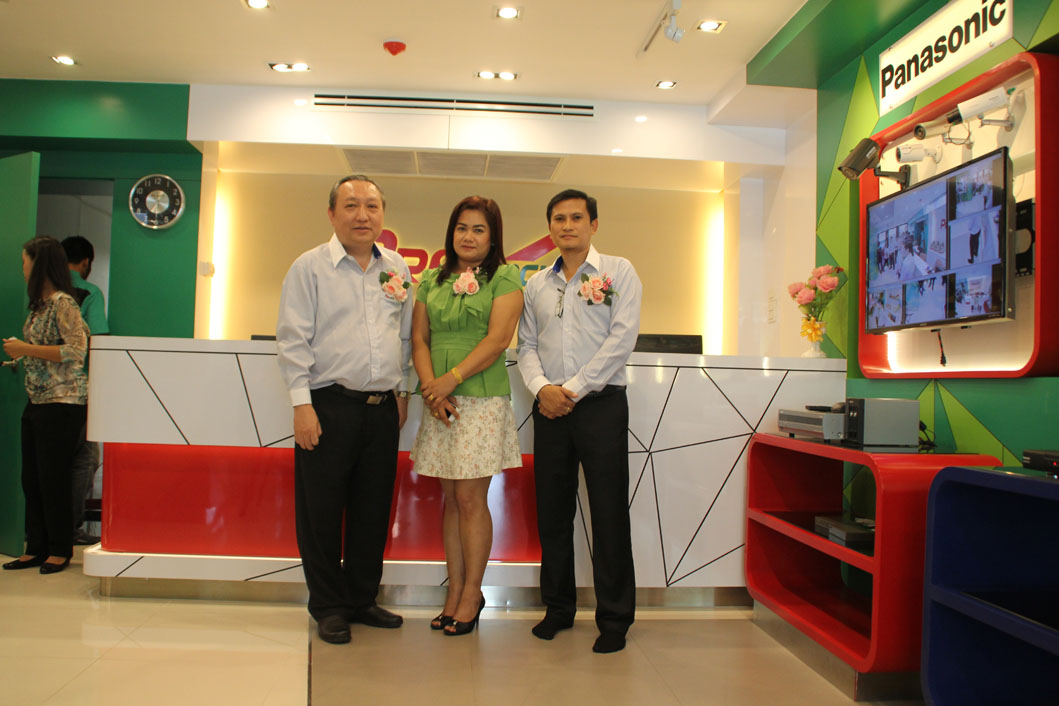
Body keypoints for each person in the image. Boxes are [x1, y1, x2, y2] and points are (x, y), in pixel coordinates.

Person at [276, 175, 413, 645]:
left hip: (382, 409)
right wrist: (302, 405)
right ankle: (329, 606)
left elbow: (404, 336)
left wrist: (403, 393)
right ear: (332, 214)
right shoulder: (309, 267)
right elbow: (292, 340)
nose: (362, 215)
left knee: (372, 511)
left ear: (382, 214)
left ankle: (361, 599)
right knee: (321, 513)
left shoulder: (396, 267)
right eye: (351, 205)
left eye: (372, 206)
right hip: (328, 405)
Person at [517, 189, 643, 654]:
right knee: (553, 513)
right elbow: (526, 345)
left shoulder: (619, 272)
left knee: (608, 512)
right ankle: (558, 608)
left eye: (576, 218)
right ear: (550, 226)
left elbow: (621, 339)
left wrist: (572, 388)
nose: (567, 226)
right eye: (558, 218)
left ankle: (614, 619)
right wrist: (541, 389)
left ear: (593, 224)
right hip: (549, 407)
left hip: (600, 404)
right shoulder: (536, 284)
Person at [408, 196, 524, 636]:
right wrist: (431, 388)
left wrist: (450, 380)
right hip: (439, 400)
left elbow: (498, 340)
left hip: (479, 397)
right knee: (452, 500)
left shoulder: (505, 277)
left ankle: (473, 593)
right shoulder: (430, 279)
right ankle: (453, 590)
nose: (468, 236)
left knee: (472, 499)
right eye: (462, 227)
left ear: (493, 237)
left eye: (478, 229)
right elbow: (420, 339)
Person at [2, 236, 89, 575]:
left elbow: (76, 350)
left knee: (53, 477)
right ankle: (35, 547)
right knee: (33, 477)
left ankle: (59, 549)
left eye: (24, 262)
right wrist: (22, 354)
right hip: (38, 398)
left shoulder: (64, 303)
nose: (22, 269)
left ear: (38, 265)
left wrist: (25, 349)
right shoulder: (39, 305)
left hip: (62, 401)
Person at [62, 235, 109, 545]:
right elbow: (99, 341)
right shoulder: (88, 292)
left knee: (50, 461)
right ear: (86, 263)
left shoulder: (43, 290)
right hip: (77, 390)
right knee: (84, 458)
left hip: (41, 393)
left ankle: (41, 531)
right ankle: (70, 530)